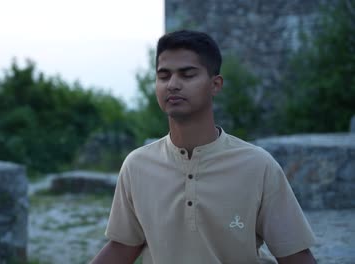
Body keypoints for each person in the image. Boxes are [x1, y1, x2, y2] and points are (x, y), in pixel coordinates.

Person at [91, 30, 316, 264]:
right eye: (164, 76)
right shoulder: (137, 165)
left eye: (187, 75)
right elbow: (122, 247)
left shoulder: (258, 165)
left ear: (215, 84)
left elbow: (296, 255)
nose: (173, 85)